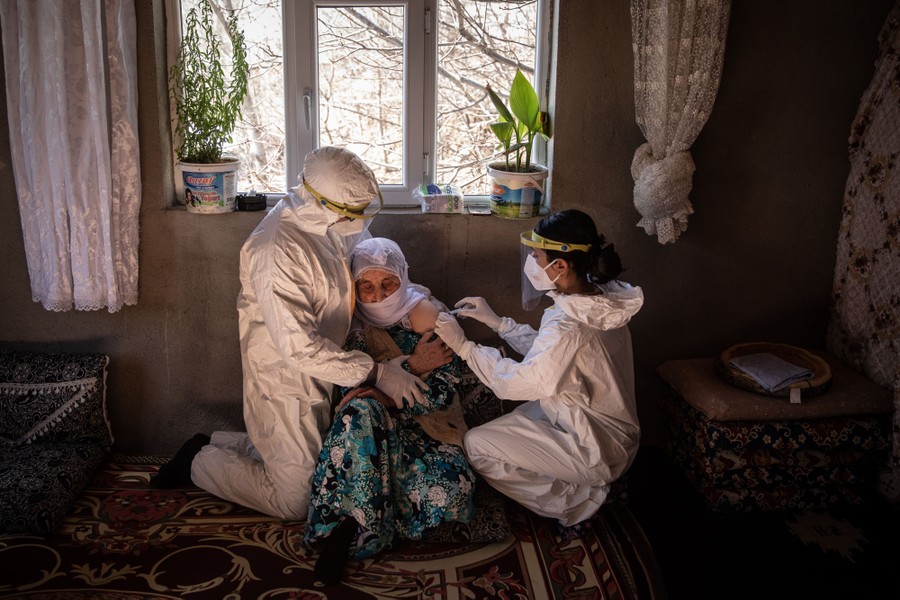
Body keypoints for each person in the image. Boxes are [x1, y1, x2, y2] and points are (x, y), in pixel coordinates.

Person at [150, 147, 450, 522]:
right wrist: (379, 372)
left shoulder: (335, 218)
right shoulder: (276, 250)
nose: (357, 222)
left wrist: (418, 303)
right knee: (296, 501)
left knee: (317, 460)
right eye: (351, 214)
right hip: (287, 378)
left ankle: (219, 443)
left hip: (333, 361)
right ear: (318, 199)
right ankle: (200, 460)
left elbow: (370, 269)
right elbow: (299, 349)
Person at [433, 209, 644, 533]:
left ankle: (580, 507)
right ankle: (591, 486)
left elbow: (515, 385)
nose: (531, 260)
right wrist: (499, 323)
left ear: (560, 265)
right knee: (514, 426)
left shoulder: (571, 323)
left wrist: (465, 348)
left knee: (478, 445)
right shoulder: (598, 299)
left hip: (594, 446)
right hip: (597, 422)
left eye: (535, 254)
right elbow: (553, 354)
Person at [304, 237, 475, 586]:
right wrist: (411, 367)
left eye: (388, 284)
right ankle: (352, 530)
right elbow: (348, 392)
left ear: (403, 277)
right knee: (360, 411)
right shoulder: (348, 327)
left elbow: (443, 394)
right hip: (365, 437)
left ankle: (351, 516)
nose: (378, 296)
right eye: (365, 286)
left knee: (451, 488)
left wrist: (392, 394)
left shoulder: (429, 320)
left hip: (423, 434)